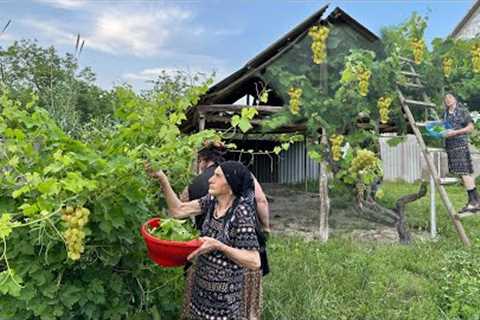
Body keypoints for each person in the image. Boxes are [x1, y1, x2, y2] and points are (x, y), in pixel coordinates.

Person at [145, 161, 263, 320]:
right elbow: (178, 210)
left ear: (230, 184)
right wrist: (162, 179)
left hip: (224, 304)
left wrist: (220, 246)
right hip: (200, 294)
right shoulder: (212, 201)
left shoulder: (241, 213)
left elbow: (254, 260)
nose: (210, 179)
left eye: (217, 176)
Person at [181, 140, 271, 233]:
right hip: (242, 235)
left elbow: (183, 204)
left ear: (203, 160)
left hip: (206, 238)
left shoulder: (193, 182)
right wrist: (266, 228)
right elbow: (261, 201)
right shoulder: (240, 174)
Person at [442, 93, 479, 212]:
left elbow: (470, 128)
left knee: (465, 172)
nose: (448, 100)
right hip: (450, 146)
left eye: (450, 97)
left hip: (460, 145)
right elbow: (444, 128)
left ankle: (474, 202)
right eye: (446, 98)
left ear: (455, 99)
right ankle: (474, 201)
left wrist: (455, 132)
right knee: (463, 173)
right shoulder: (445, 114)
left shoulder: (462, 111)